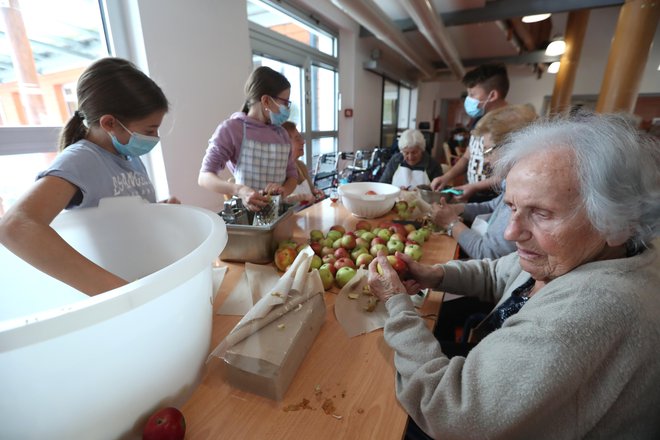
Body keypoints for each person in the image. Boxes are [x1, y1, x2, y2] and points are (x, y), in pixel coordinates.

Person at [368, 112, 660, 439]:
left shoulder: (586, 312)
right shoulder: (585, 255)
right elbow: (500, 272)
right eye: (511, 207)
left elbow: (449, 411)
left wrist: (396, 302)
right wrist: (435, 275)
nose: (509, 232)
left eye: (541, 213)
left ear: (616, 222)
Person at [0, 57, 177, 296]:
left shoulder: (129, 157)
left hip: (141, 278)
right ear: (110, 123)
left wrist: (159, 211)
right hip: (118, 293)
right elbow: (16, 226)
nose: (155, 137)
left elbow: (118, 212)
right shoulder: (81, 160)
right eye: (149, 130)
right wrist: (119, 293)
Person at [432, 104, 538, 259]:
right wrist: (458, 209)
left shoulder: (524, 196)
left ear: (512, 147)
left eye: (488, 151)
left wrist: (451, 223)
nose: (486, 160)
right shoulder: (512, 182)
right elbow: (492, 205)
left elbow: (487, 253)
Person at [198, 66, 298, 212]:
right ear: (266, 101)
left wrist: (284, 190)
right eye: (285, 103)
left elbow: (292, 176)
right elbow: (204, 177)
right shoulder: (232, 129)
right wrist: (239, 190)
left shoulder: (282, 134)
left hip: (279, 215)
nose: (287, 109)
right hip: (248, 220)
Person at [431, 64, 509, 202]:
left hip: (495, 200)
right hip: (472, 194)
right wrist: (447, 177)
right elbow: (467, 157)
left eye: (472, 94)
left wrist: (474, 187)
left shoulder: (512, 125)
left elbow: (508, 174)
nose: (468, 99)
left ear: (492, 95)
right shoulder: (479, 121)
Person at [379, 128, 443, 189]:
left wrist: (423, 190)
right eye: (406, 153)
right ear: (402, 151)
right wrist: (397, 189)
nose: (410, 157)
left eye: (414, 152)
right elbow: (383, 184)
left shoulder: (433, 164)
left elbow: (439, 190)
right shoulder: (395, 160)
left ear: (422, 149)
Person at [281, 121, 325, 204]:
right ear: (286, 144)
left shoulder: (301, 166)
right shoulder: (280, 170)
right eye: (297, 139)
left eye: (301, 138)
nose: (303, 142)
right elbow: (281, 201)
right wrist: (303, 198)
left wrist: (316, 193)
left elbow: (312, 191)